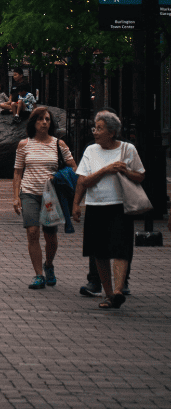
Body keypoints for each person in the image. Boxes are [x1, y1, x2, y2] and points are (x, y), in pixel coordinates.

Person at [72, 111, 145, 309]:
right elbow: (84, 181)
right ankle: (110, 294)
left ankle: (119, 290)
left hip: (121, 206)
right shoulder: (91, 151)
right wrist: (76, 204)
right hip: (96, 206)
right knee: (100, 252)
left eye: (99, 128)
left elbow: (140, 176)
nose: (95, 132)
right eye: (95, 128)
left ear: (111, 132)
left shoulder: (128, 149)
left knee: (121, 250)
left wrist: (124, 171)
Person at [12, 106, 75, 288]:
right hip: (29, 192)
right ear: (33, 122)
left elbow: (74, 167)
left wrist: (58, 176)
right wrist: (16, 197)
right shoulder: (24, 145)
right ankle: (38, 274)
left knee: (50, 236)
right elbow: (17, 172)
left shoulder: (58, 144)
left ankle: (49, 265)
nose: (44, 123)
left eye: (47, 119)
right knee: (32, 232)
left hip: (50, 196)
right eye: (40, 119)